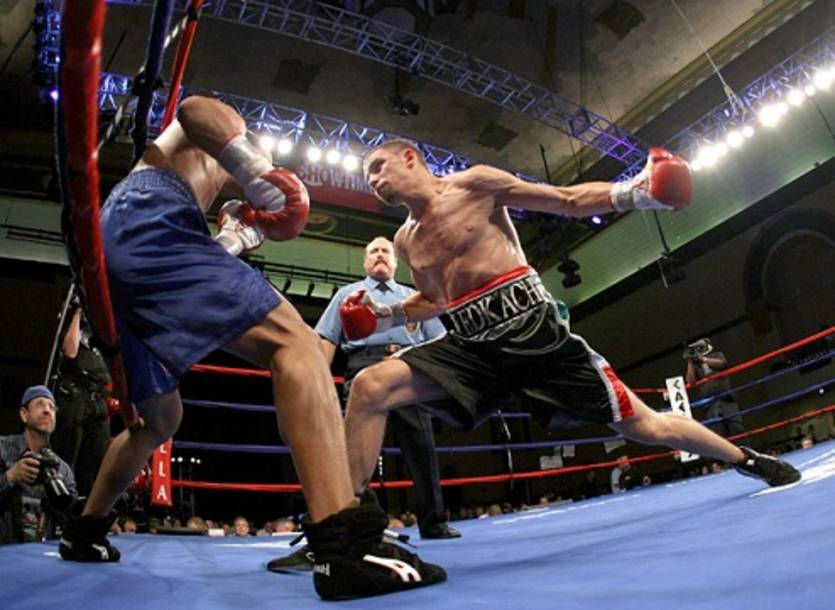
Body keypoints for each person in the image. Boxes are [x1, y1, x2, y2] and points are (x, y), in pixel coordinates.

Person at [58, 96, 444, 600]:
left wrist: (235, 239)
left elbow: (181, 286)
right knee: (297, 343)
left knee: (159, 420)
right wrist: (258, 169)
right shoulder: (220, 138)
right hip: (148, 219)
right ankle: (344, 547)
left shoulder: (193, 180)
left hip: (120, 263)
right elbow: (193, 108)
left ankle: (84, 530)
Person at [339, 140, 801, 511]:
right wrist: (385, 315)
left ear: (410, 157)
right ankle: (346, 518)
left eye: (379, 167)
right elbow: (435, 300)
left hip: (533, 333)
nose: (374, 181)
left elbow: (566, 200)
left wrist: (636, 192)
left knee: (646, 426)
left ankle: (746, 458)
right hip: (472, 345)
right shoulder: (405, 239)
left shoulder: (474, 184)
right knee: (370, 386)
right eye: (368, 178)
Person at [268, 236, 459, 573]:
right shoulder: (348, 294)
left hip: (409, 365)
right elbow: (327, 337)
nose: (380, 255)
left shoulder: (413, 297)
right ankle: (348, 521)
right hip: (362, 364)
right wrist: (316, 383)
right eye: (373, 251)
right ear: (365, 261)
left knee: (421, 443)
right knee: (352, 449)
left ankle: (434, 521)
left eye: (386, 251)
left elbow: (439, 339)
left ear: (396, 262)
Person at [50, 299, 111, 497]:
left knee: (96, 459)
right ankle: (62, 506)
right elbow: (70, 351)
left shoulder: (108, 325)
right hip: (74, 395)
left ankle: (88, 507)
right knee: (67, 456)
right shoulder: (73, 316)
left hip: (98, 397)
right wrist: (78, 312)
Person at [0, 386, 77, 544]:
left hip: (40, 553)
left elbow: (72, 520)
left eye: (51, 407)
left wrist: (58, 494)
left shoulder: (62, 468)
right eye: (40, 404)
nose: (47, 410)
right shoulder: (2, 449)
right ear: (24, 414)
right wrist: (10, 477)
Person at [684, 338, 745, 438]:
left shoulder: (717, 355)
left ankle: (742, 447)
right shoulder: (696, 365)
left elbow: (722, 364)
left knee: (736, 427)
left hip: (726, 398)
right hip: (710, 402)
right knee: (718, 432)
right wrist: (689, 362)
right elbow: (690, 381)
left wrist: (703, 359)